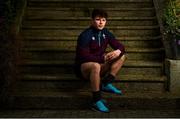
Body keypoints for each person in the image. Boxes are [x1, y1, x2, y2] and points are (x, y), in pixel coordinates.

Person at [74, 9, 126, 113]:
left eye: (103, 20)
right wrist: (102, 58)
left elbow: (120, 46)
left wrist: (118, 51)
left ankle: (106, 83)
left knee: (122, 56)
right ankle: (96, 100)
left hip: (99, 65)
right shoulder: (85, 35)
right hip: (84, 69)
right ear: (92, 21)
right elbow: (82, 56)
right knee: (95, 66)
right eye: (98, 19)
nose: (101, 22)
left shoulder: (106, 33)